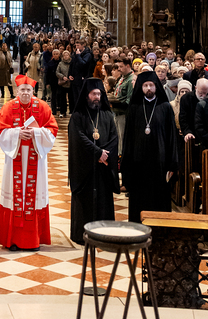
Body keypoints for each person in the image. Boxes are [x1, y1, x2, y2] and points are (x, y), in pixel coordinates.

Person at [0, 74, 58, 250]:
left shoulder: (43, 107)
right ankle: (13, 239)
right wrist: (17, 133)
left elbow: (52, 130)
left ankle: (33, 240)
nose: (25, 93)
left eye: (28, 90)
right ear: (17, 91)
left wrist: (36, 133)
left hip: (35, 157)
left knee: (33, 197)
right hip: (15, 156)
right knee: (14, 196)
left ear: (33, 91)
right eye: (22, 90)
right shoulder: (8, 107)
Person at [121, 69, 178, 223]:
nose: (148, 88)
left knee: (159, 198)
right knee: (139, 199)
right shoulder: (134, 108)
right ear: (141, 87)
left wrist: (172, 163)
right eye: (145, 85)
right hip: (138, 163)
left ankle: (160, 228)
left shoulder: (165, 107)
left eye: (151, 85)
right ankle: (137, 227)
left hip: (160, 163)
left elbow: (172, 137)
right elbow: (128, 138)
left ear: (156, 87)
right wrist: (126, 163)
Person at [68, 78, 119, 243]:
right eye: (93, 94)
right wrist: (97, 153)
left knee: (104, 199)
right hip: (85, 168)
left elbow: (114, 137)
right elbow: (78, 138)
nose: (97, 97)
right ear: (86, 95)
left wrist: (105, 155)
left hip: (103, 167)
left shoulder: (107, 115)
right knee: (85, 200)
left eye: (99, 94)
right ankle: (82, 234)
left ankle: (104, 234)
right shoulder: (78, 116)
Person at [110, 54, 135, 153]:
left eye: (121, 66)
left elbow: (129, 101)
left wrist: (113, 103)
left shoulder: (131, 80)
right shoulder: (122, 78)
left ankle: (122, 157)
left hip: (124, 114)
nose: (119, 69)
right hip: (116, 112)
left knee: (123, 139)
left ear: (128, 66)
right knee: (118, 138)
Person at [55, 48, 72, 118]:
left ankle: (71, 111)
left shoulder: (72, 63)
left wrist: (71, 76)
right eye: (64, 55)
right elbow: (57, 72)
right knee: (62, 99)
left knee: (71, 98)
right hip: (63, 83)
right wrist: (62, 77)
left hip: (70, 83)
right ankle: (63, 112)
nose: (65, 56)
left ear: (69, 56)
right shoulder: (60, 63)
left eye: (67, 55)